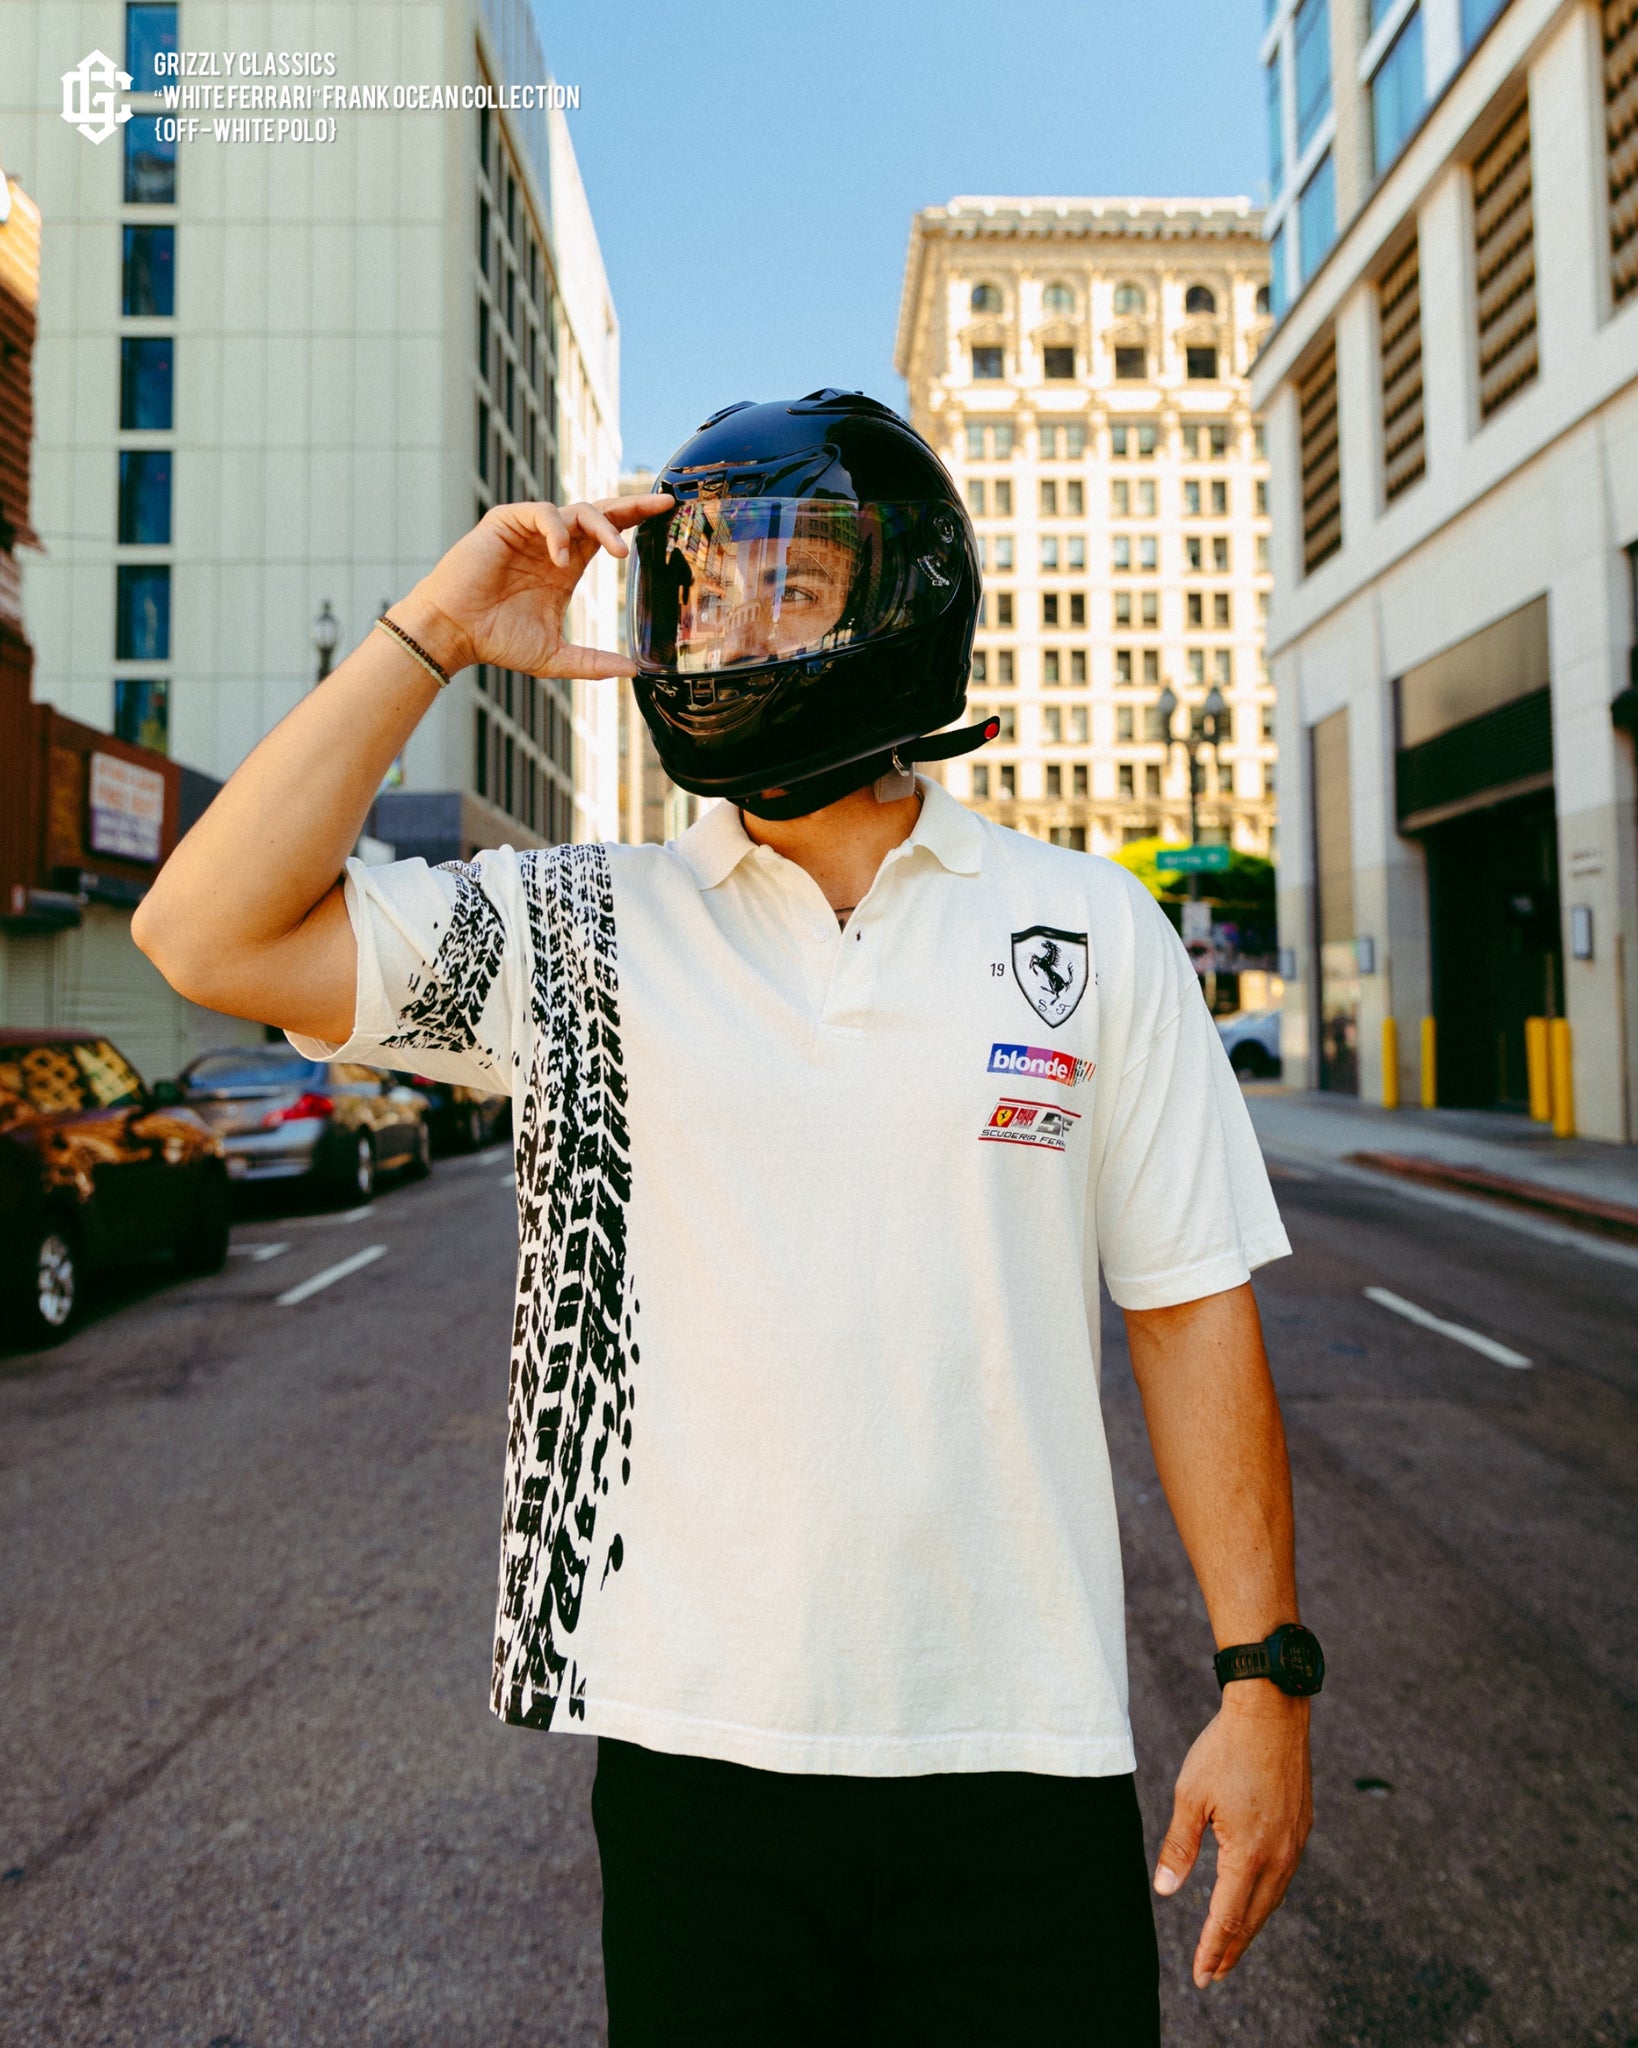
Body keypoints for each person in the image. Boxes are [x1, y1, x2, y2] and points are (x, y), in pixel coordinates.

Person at [134, 389, 1319, 2045]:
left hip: (1022, 1756)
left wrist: (1264, 1678)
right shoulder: (586, 930)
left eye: (790, 581)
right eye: (699, 587)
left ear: (902, 604)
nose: (728, 619)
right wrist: (437, 632)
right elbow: (203, 934)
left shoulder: (1087, 926)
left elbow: (1188, 1303)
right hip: (698, 1768)